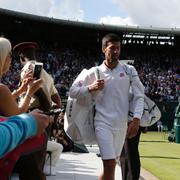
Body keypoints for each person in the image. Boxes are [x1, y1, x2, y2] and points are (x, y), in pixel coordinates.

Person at [69, 33, 144, 180]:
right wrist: (90, 88)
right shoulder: (94, 72)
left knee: (109, 167)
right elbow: (72, 91)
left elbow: (139, 95)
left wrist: (136, 119)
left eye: (118, 48)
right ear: (104, 49)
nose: (116, 51)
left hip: (121, 126)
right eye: (112, 48)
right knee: (110, 166)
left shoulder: (129, 70)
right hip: (102, 123)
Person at [13, 41, 62, 179]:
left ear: (22, 57)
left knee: (30, 164)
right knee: (37, 160)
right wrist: (53, 116)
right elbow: (56, 98)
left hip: (33, 116)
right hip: (43, 118)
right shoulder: (46, 72)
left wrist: (47, 110)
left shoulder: (27, 68)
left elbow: (38, 91)